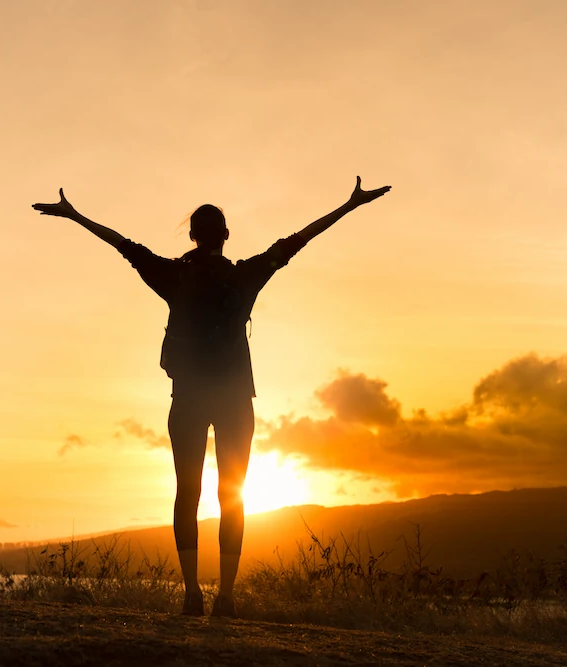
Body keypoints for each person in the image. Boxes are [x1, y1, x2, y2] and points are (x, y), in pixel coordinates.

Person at [32, 177, 391, 617]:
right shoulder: (244, 277)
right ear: (225, 235)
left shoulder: (174, 276)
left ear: (191, 236)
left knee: (188, 493)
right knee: (232, 496)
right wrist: (349, 206)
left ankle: (190, 594)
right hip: (236, 400)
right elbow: (298, 240)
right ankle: (226, 596)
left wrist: (74, 215)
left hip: (187, 399)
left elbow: (124, 246)